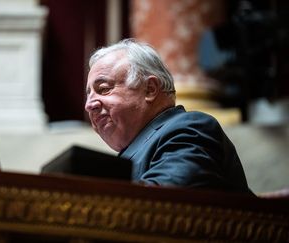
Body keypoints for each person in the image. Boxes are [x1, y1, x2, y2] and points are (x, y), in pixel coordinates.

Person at [85, 38, 252, 193]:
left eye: (104, 89)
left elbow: (163, 202)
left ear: (150, 89)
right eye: (88, 95)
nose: (89, 105)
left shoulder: (188, 129)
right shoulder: (134, 150)